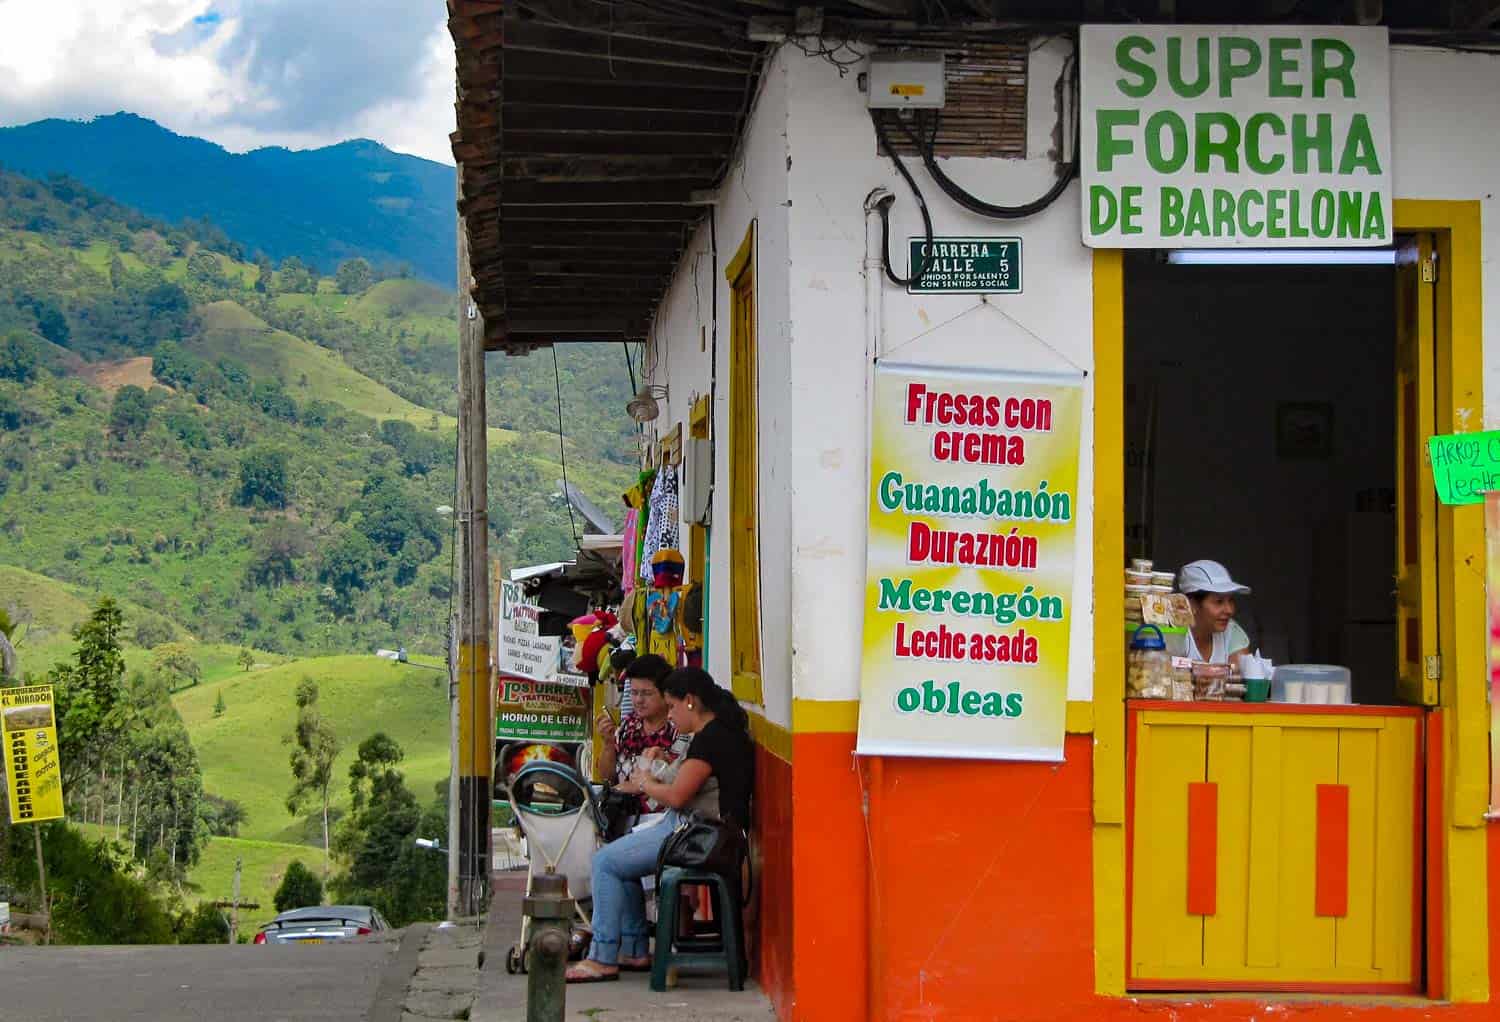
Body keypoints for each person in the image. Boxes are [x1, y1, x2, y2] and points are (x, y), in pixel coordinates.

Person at [565, 667, 754, 983]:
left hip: (700, 835)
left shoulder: (710, 740)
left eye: (672, 706)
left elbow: (678, 796)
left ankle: (603, 956)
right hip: (708, 831)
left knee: (605, 862)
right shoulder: (721, 733)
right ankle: (634, 949)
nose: (671, 715)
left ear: (690, 701)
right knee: (617, 859)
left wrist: (646, 784)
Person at [596, 653, 677, 813]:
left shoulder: (678, 730)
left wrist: (633, 787)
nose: (638, 700)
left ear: (665, 694)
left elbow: (677, 783)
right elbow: (606, 777)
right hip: (621, 816)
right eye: (634, 693)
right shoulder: (628, 726)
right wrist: (608, 744)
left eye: (646, 693)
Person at [1177, 559, 1252, 666]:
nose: (1229, 610)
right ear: (1191, 605)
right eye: (1219, 602)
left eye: (1231, 600)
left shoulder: (1232, 631)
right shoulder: (1173, 634)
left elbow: (1241, 672)